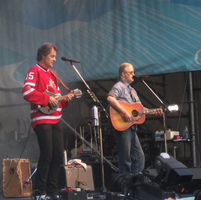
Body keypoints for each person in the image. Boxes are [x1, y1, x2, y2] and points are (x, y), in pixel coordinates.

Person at [22, 43, 74, 200]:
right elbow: (27, 91)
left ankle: (52, 190)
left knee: (58, 155)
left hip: (55, 119)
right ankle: (40, 190)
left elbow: (56, 98)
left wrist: (66, 99)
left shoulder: (53, 74)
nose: (55, 59)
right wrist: (47, 98)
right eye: (52, 56)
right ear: (43, 56)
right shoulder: (34, 71)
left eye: (55, 56)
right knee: (47, 155)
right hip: (41, 119)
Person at [107, 63, 162, 174]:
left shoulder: (132, 90)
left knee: (139, 156)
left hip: (131, 127)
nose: (133, 74)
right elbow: (110, 98)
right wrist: (124, 113)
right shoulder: (119, 86)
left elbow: (139, 109)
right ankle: (125, 184)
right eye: (130, 72)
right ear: (123, 74)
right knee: (125, 157)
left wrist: (154, 111)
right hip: (123, 125)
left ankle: (136, 182)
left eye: (133, 72)